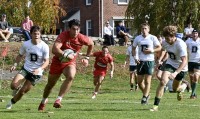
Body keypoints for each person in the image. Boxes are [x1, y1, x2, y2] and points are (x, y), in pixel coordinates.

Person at [38, 19, 94, 111]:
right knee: (50, 85)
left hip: (69, 63)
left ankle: (58, 99)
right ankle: (43, 101)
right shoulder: (63, 35)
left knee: (71, 76)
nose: (76, 31)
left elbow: (91, 44)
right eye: (73, 29)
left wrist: (87, 58)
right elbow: (54, 49)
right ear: (69, 28)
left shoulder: (81, 38)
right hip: (58, 61)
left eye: (78, 29)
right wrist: (65, 54)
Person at [6, 26, 50, 109]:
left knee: (22, 91)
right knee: (13, 86)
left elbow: (47, 61)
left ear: (40, 34)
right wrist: (15, 64)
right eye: (34, 33)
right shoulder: (26, 44)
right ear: (31, 34)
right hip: (26, 69)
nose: (36, 35)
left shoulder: (44, 46)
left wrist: (39, 69)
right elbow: (20, 55)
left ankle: (11, 102)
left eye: (38, 34)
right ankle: (16, 88)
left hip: (36, 73)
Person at [150, 25, 188, 111]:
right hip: (170, 64)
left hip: (181, 68)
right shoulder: (165, 42)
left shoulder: (180, 44)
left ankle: (183, 86)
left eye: (168, 38)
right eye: (165, 38)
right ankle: (155, 106)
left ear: (173, 36)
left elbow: (184, 61)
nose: (167, 40)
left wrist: (175, 73)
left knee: (175, 89)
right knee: (163, 82)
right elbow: (163, 49)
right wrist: (160, 60)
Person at [132, 23, 161, 104]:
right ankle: (147, 94)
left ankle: (144, 98)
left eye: (145, 28)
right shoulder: (138, 38)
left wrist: (152, 50)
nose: (144, 30)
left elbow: (159, 47)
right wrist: (135, 57)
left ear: (149, 29)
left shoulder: (152, 37)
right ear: (141, 30)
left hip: (149, 61)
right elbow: (133, 48)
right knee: (139, 82)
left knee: (147, 81)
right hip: (140, 61)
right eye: (142, 29)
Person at [185, 29, 200, 99]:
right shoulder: (188, 41)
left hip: (198, 62)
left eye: (196, 33)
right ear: (191, 34)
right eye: (194, 33)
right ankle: (194, 93)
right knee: (191, 78)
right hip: (190, 61)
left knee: (196, 77)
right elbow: (183, 48)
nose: (195, 34)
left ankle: (192, 94)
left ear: (198, 34)